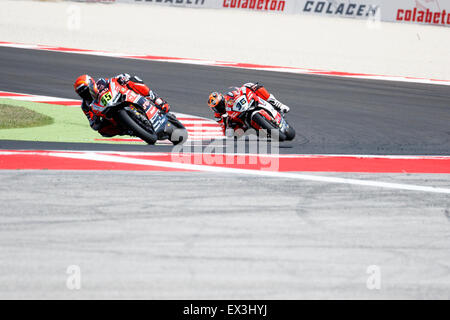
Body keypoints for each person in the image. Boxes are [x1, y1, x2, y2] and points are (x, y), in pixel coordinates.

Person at [73, 73, 171, 137]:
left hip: (119, 98)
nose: (86, 94)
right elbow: (93, 124)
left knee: (133, 80)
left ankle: (156, 99)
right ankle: (128, 130)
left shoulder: (101, 83)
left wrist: (122, 79)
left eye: (87, 90)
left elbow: (113, 80)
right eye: (82, 94)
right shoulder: (85, 106)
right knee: (103, 132)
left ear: (91, 84)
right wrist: (97, 122)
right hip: (109, 114)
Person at [207, 82, 290, 135]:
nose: (219, 108)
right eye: (216, 108)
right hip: (239, 120)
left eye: (220, 104)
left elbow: (238, 91)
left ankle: (277, 104)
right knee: (234, 135)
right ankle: (257, 130)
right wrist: (226, 121)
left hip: (243, 107)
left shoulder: (228, 96)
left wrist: (243, 91)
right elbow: (224, 131)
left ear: (222, 99)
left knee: (249, 85)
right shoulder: (218, 116)